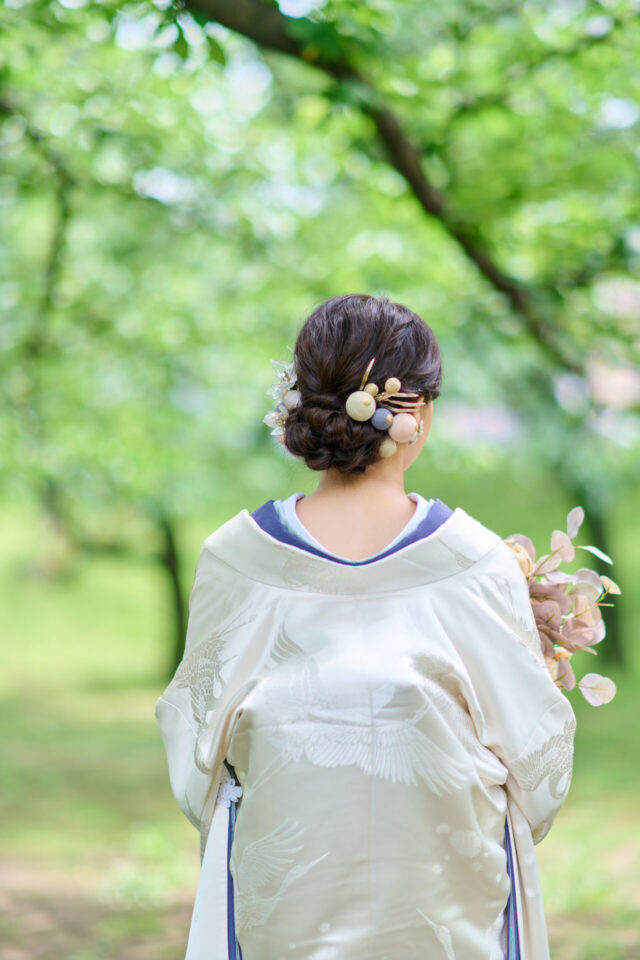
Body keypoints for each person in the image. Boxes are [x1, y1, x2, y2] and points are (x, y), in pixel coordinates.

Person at [155, 294, 576, 960]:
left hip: (287, 912)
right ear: (421, 412)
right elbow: (541, 775)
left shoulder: (236, 560)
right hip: (442, 912)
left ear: (302, 402)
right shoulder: (474, 563)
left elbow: (195, 765)